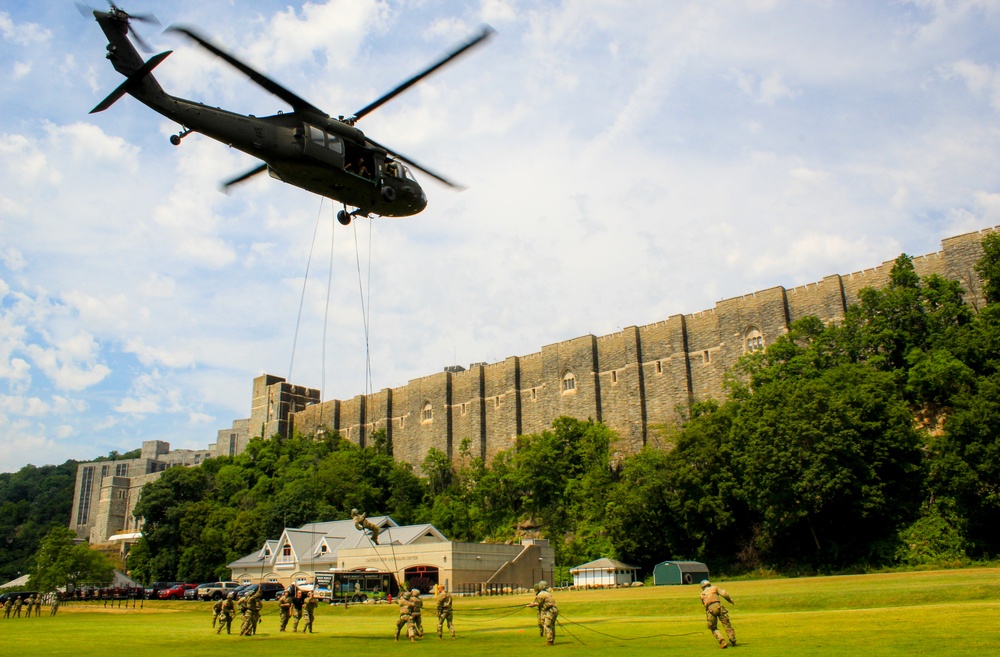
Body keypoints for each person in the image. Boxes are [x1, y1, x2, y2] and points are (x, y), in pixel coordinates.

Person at [699, 579, 737, 649]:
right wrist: (730, 600)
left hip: (710, 609)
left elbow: (704, 604)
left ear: (702, 587)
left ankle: (722, 641)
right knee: (726, 624)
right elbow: (724, 594)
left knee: (713, 627)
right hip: (719, 607)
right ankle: (732, 639)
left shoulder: (702, 594)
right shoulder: (714, 588)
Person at [527, 580, 558, 646]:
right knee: (552, 626)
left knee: (547, 625)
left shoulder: (541, 594)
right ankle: (551, 640)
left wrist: (531, 605)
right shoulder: (547, 593)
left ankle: (550, 641)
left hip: (550, 611)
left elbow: (538, 603)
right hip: (554, 610)